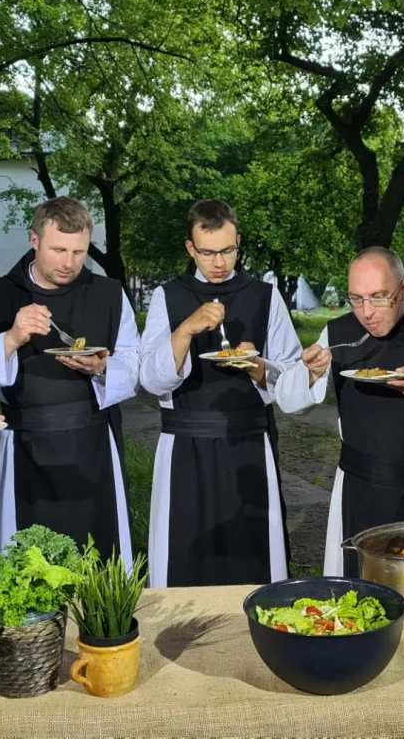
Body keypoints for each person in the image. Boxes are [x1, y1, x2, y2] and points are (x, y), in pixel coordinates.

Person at [276, 247, 404, 576]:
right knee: (356, 589)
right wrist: (310, 373)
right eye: (356, 299)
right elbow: (289, 402)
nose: (366, 312)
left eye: (378, 297)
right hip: (356, 488)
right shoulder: (338, 334)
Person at [0, 197, 139, 561]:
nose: (69, 263)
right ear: (34, 240)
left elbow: (134, 363)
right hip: (24, 446)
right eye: (59, 249)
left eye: (79, 251)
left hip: (93, 444)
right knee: (25, 561)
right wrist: (11, 338)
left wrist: (102, 368)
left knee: (98, 558)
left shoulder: (109, 294)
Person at [139, 199, 301, 587]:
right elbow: (151, 379)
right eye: (208, 252)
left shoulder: (265, 295)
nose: (219, 262)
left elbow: (292, 373)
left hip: (248, 440)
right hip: (184, 445)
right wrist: (186, 330)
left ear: (238, 242)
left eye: (228, 250)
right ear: (190, 248)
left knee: (252, 556)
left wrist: (259, 368)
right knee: (185, 552)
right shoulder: (168, 296)